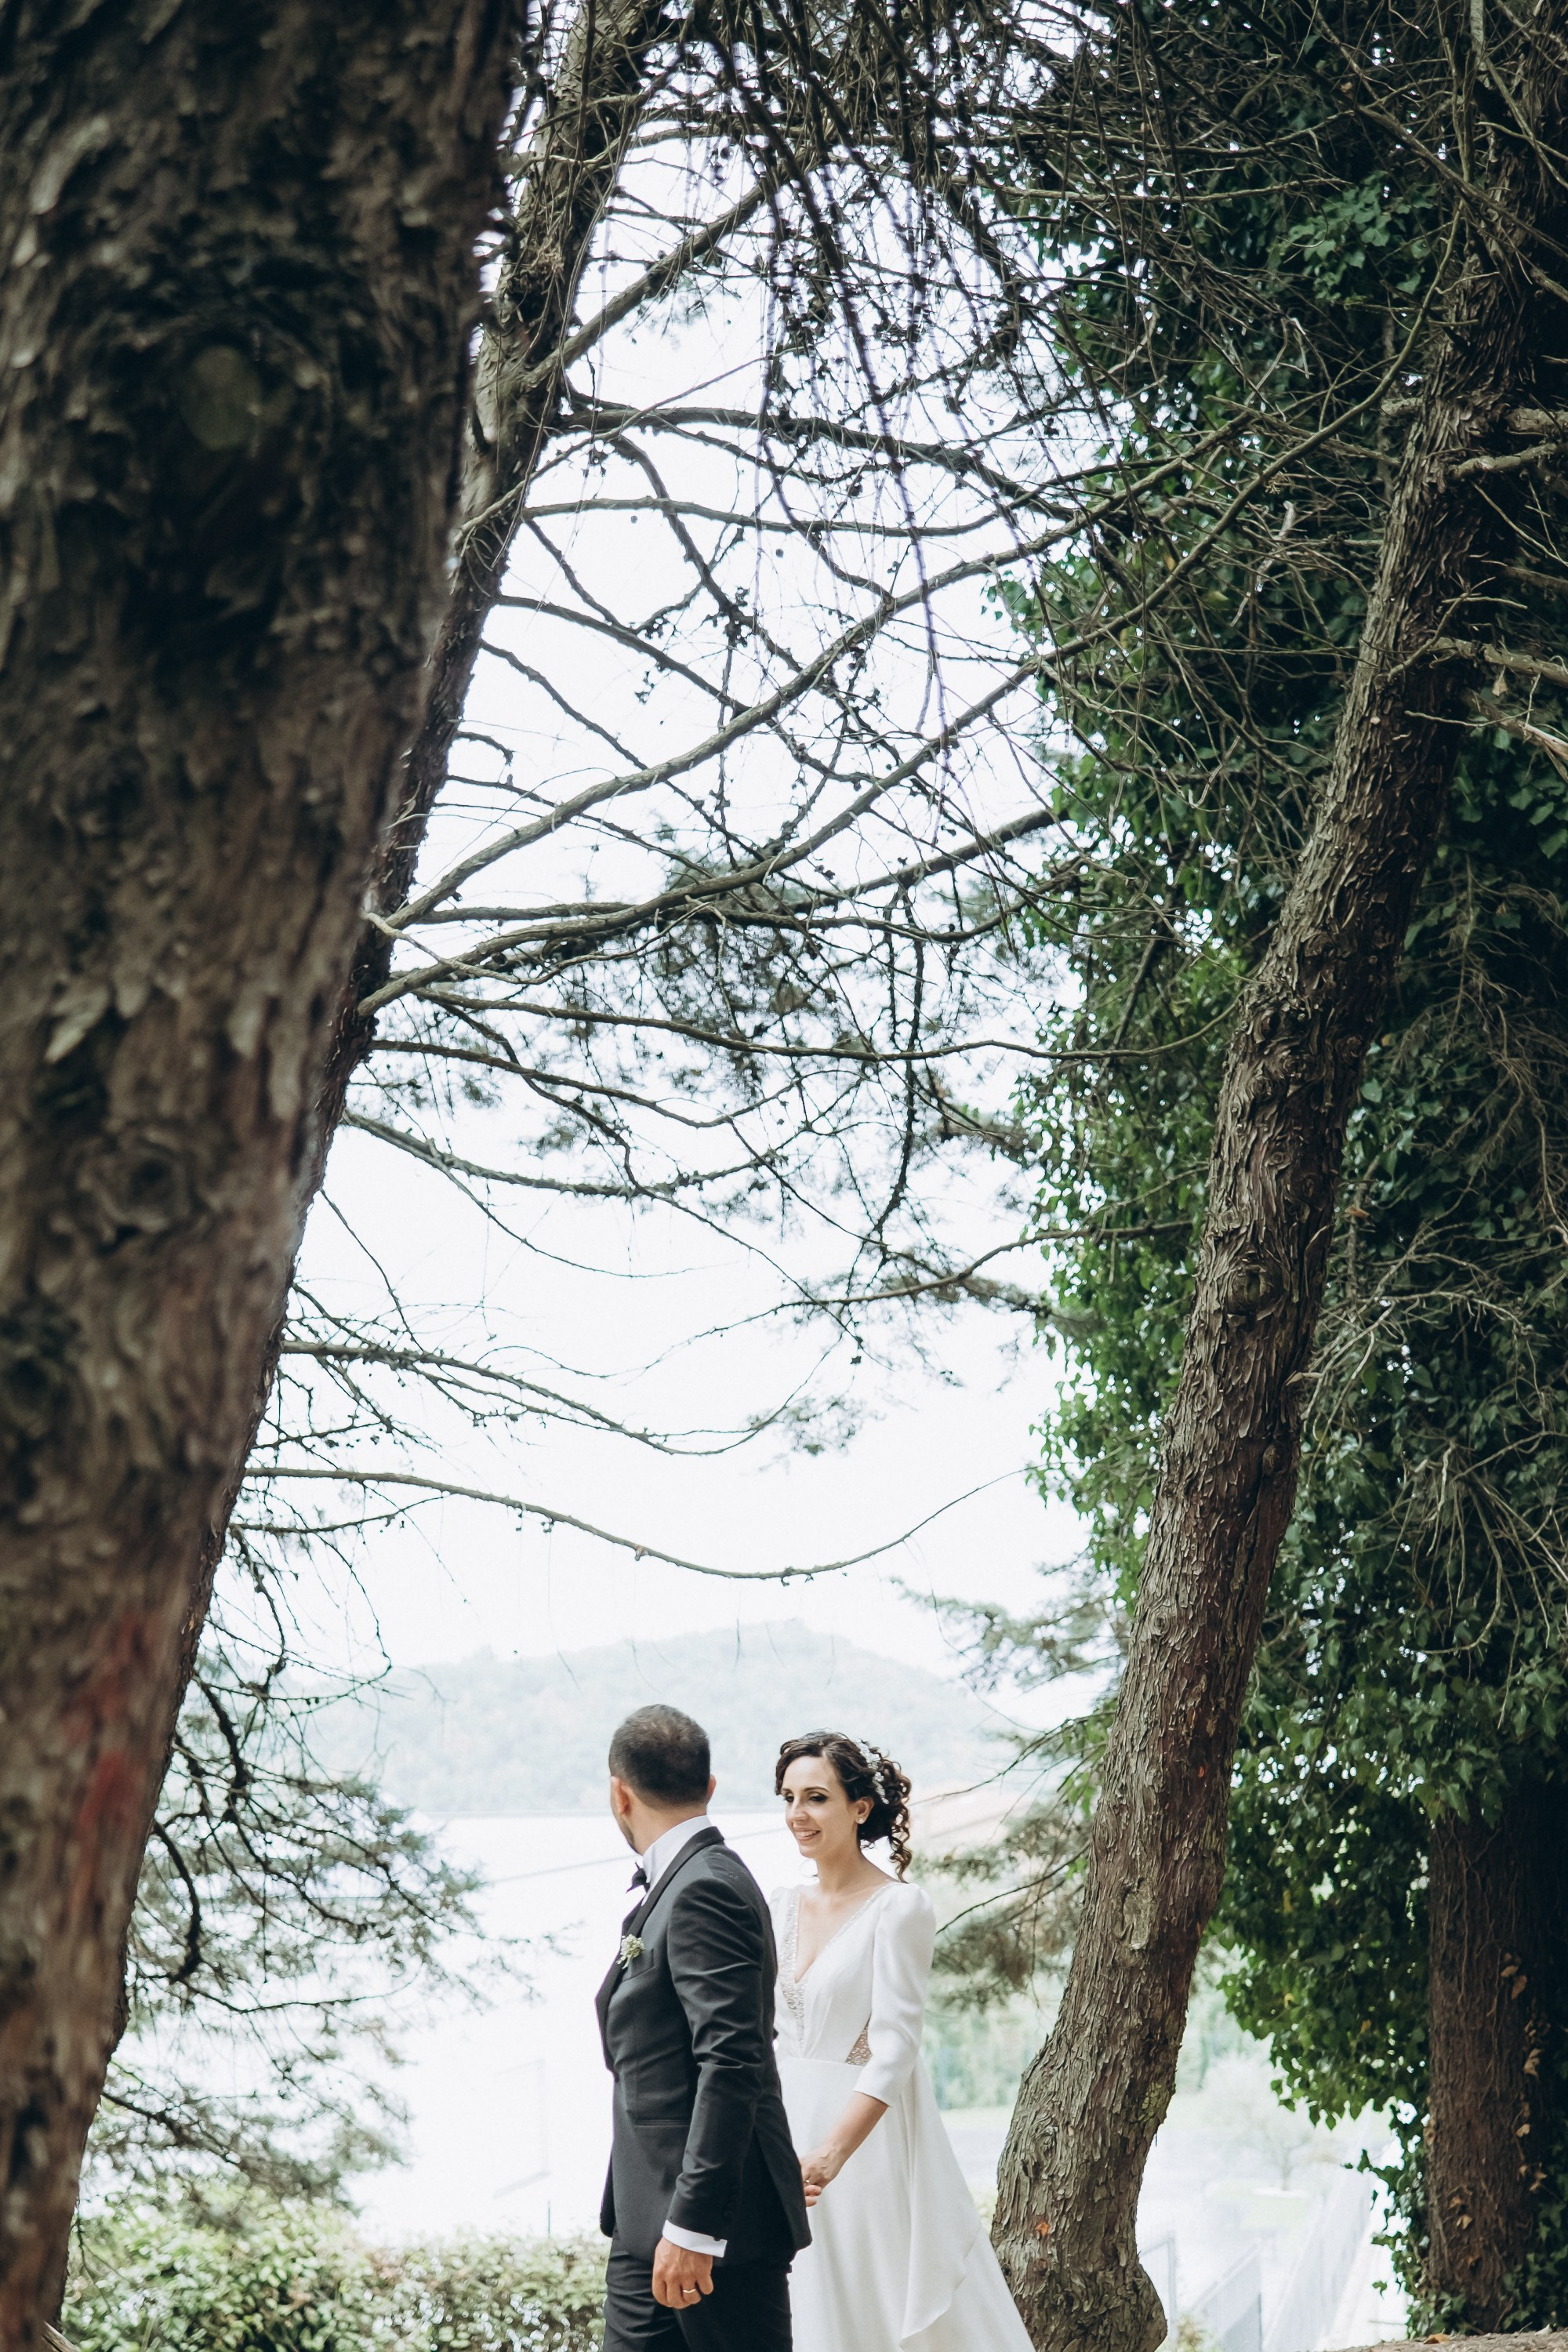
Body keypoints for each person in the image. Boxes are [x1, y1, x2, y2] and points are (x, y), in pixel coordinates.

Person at [770, 1731, 1033, 2352]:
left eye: (815, 1798)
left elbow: (895, 2048)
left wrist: (832, 2154)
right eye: (787, 1799)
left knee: (869, 2308)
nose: (797, 1816)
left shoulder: (900, 1908)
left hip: (860, 2146)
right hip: (782, 2130)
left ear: (860, 1808)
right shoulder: (777, 1903)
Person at [597, 1704, 811, 2351]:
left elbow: (733, 2060)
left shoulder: (704, 1889)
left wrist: (692, 2228)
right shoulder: (685, 1880)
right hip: (651, 2219)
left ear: (619, 1793)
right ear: (708, 1787)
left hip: (711, 2231)